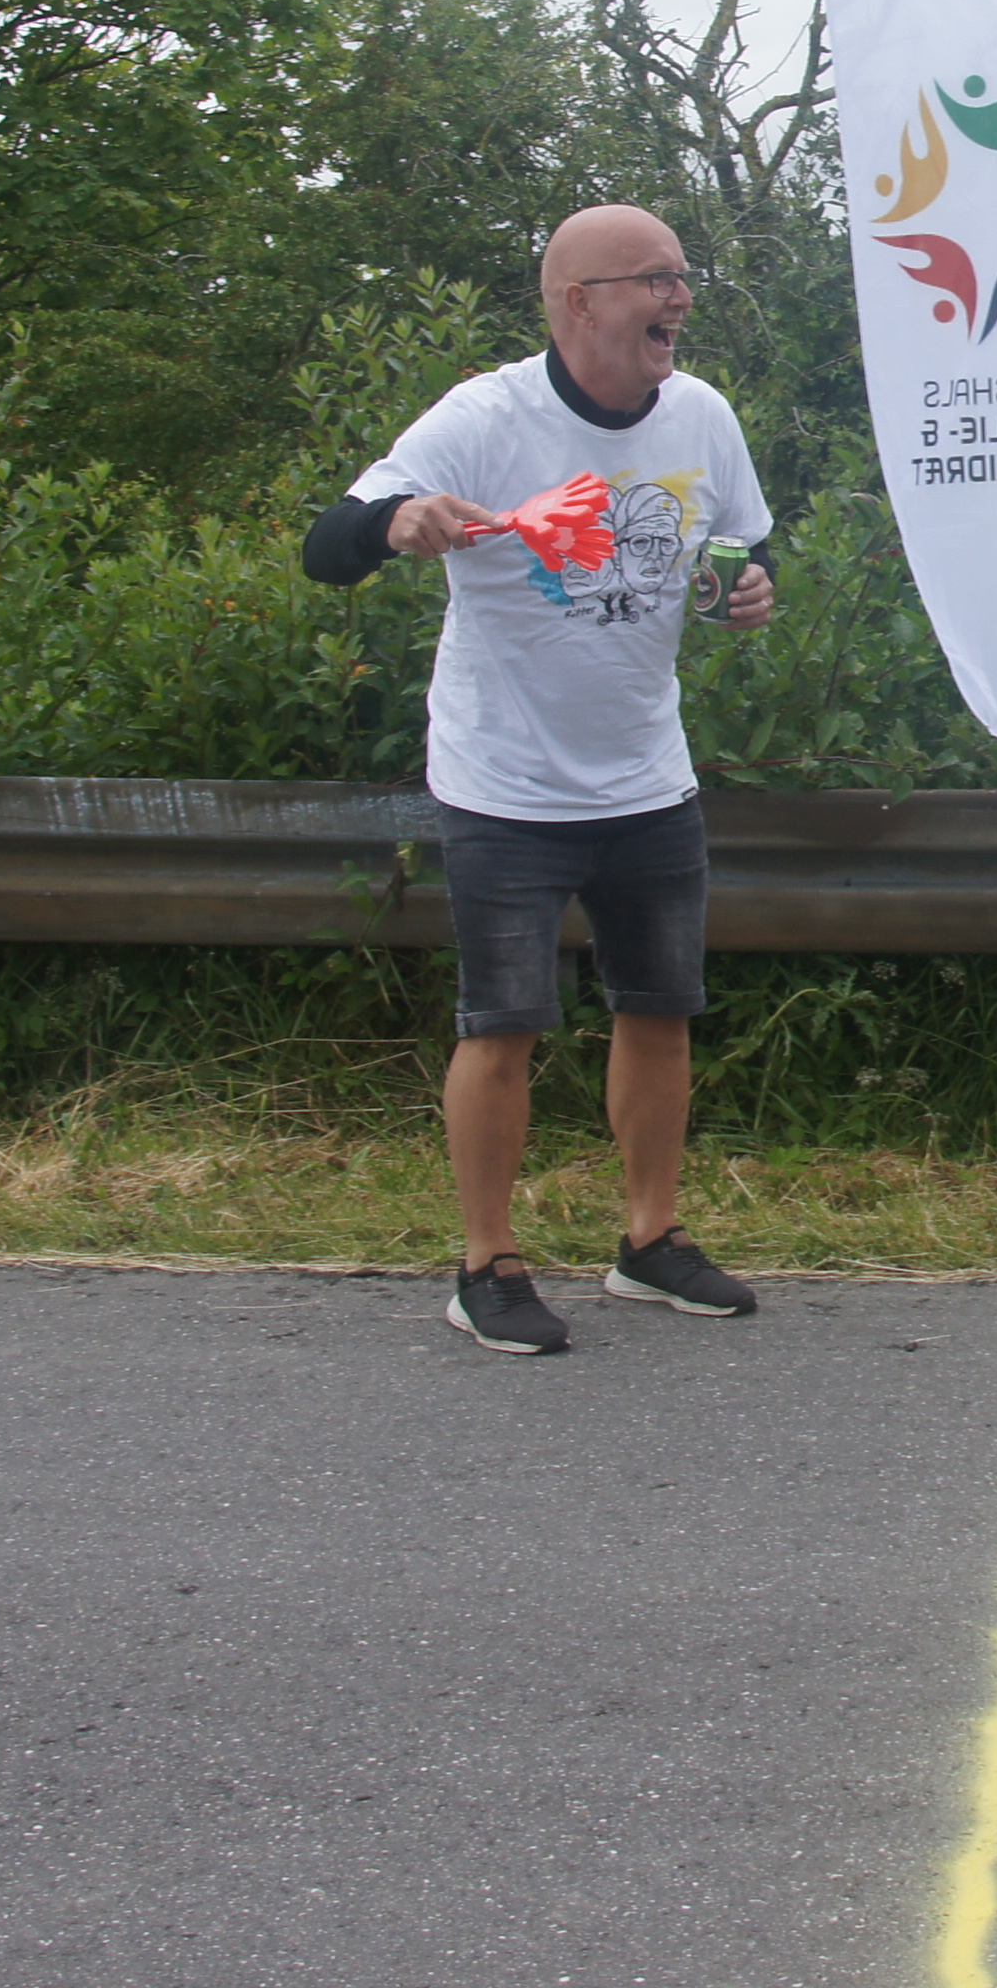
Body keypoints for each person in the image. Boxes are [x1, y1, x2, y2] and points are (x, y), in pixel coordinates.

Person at [301, 204, 780, 1354]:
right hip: (504, 785)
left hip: (647, 777)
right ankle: (486, 1264)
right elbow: (329, 543)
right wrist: (400, 519)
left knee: (659, 1011)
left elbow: (743, 548)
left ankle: (649, 1240)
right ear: (579, 301)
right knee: (503, 1024)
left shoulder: (701, 414)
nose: (680, 298)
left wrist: (745, 590)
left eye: (683, 275)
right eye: (655, 278)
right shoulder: (486, 416)